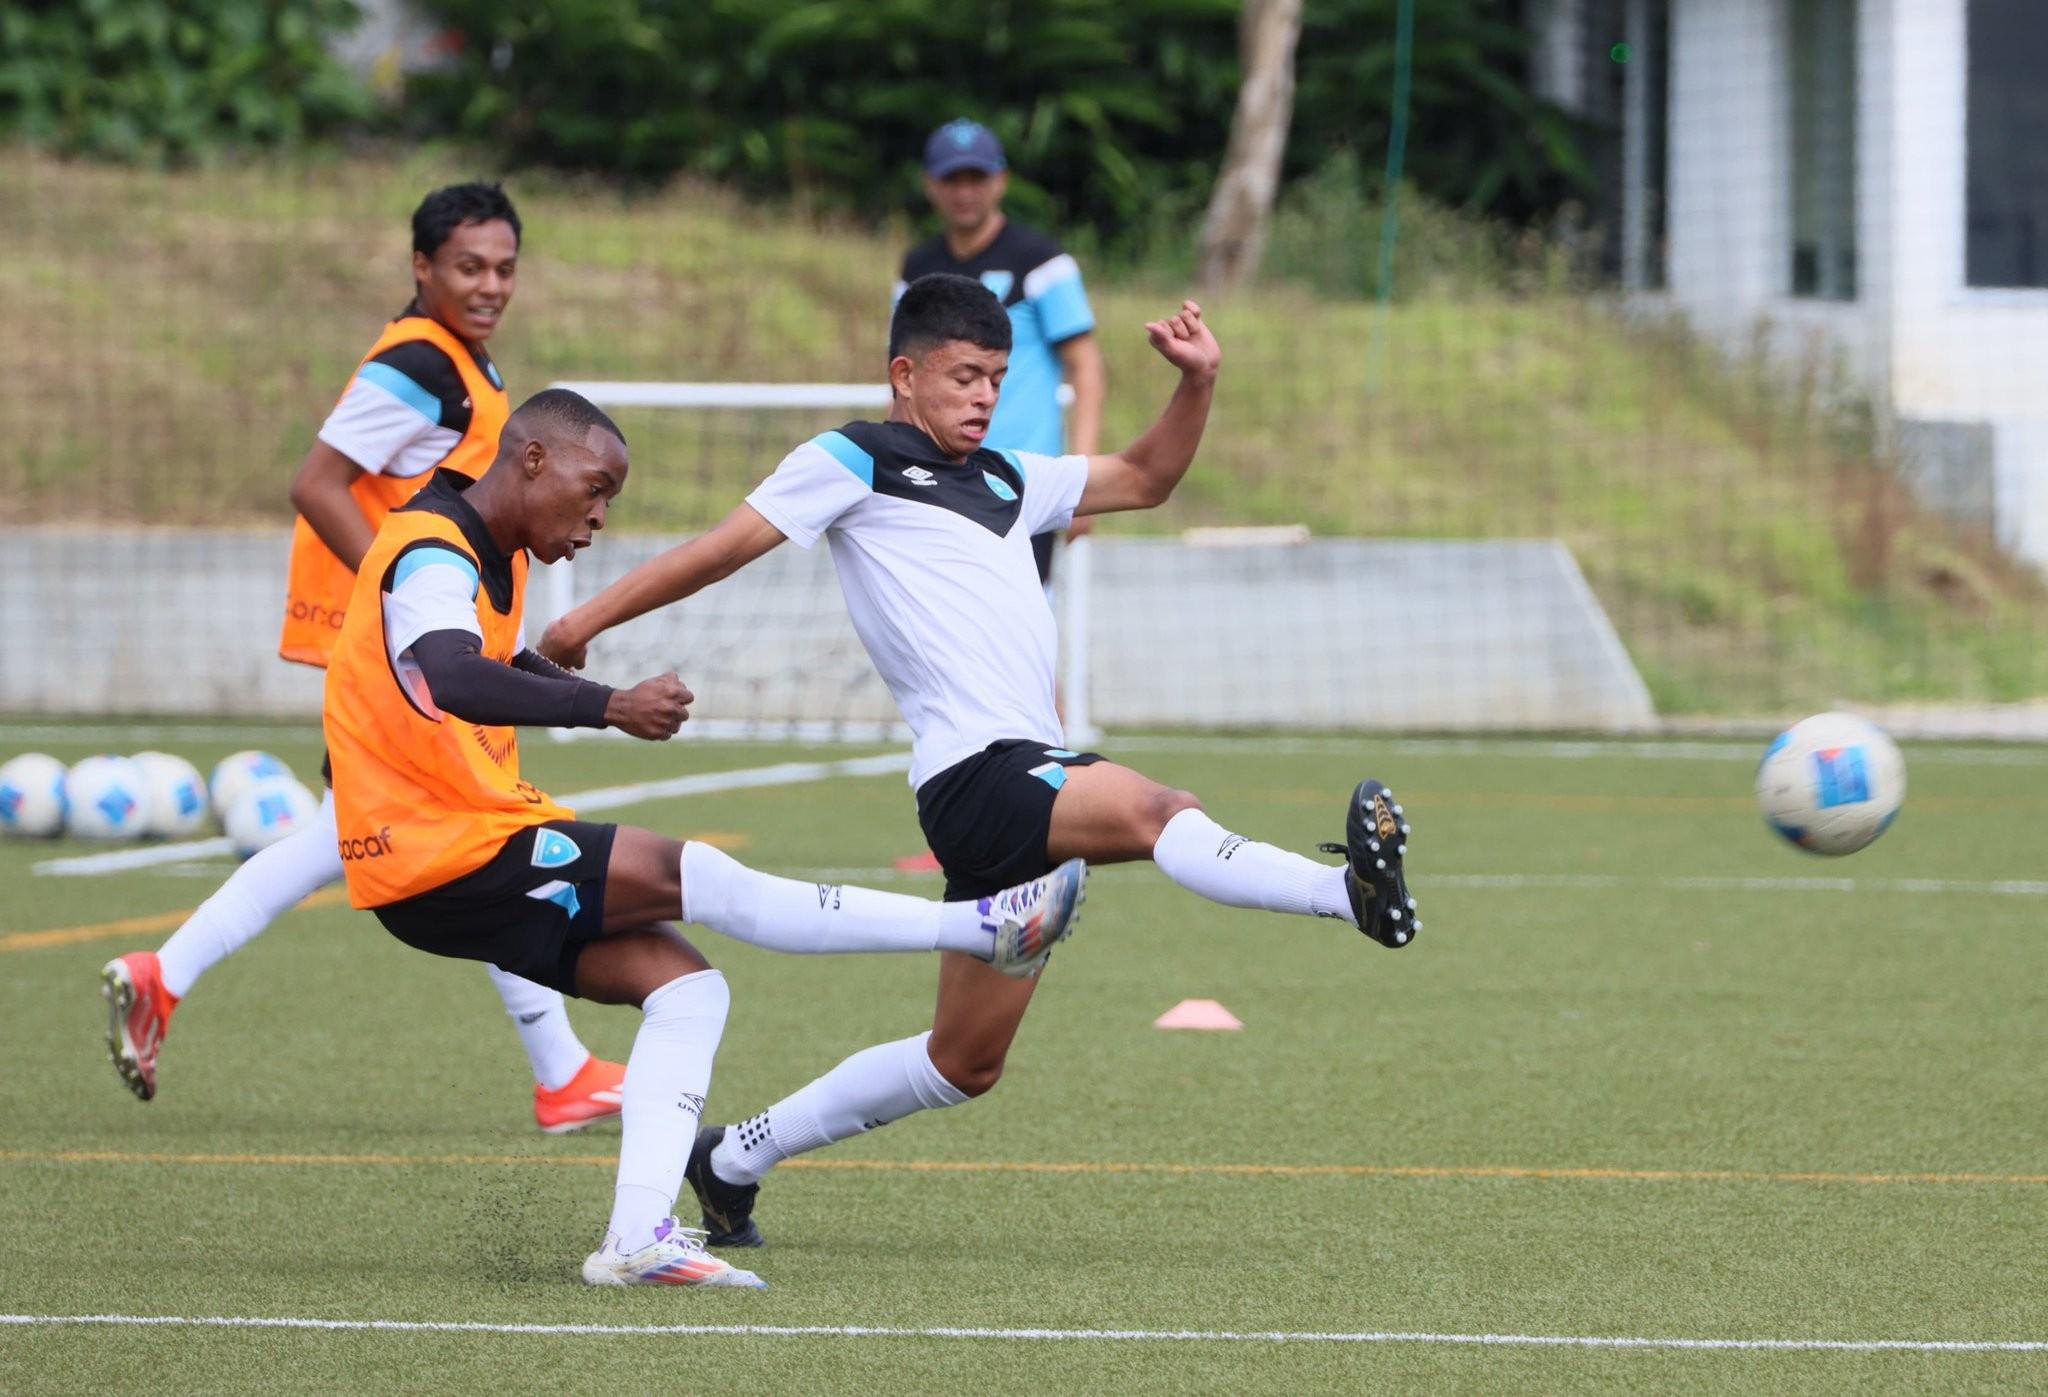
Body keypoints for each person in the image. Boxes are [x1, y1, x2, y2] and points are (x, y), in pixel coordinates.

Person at [537, 275, 1420, 1251]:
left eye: (995, 377)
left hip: (1020, 777)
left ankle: (733, 1157)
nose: (983, 396)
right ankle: (1348, 892)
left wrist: (1196, 384)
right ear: (903, 374)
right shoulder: (852, 458)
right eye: (963, 376)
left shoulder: (1007, 477)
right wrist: (580, 618)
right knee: (1157, 806)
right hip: (977, 774)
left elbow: (1143, 477)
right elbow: (719, 549)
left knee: (963, 1061)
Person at [323, 387, 1083, 1285]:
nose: (600, 516)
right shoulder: (431, 548)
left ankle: (637, 1235)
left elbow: (479, 659)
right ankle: (980, 926)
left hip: (466, 841)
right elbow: (449, 673)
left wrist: (554, 672)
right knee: (699, 876)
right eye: (594, 488)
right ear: (531, 458)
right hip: (438, 846)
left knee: (688, 990)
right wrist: (608, 704)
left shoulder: (491, 552)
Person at [100, 183, 624, 1133]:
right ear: (421, 267)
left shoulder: (461, 360)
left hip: (414, 646)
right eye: (469, 266)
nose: (490, 284)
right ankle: (561, 1069)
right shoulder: (425, 359)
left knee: (410, 829)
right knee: (474, 825)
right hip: (411, 655)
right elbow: (319, 481)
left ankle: (162, 976)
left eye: (505, 267)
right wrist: (406, 605)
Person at [899, 118, 1104, 608]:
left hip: (1022, 483)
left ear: (1001, 180)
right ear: (930, 184)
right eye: (952, 179)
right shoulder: (918, 267)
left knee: (1022, 640)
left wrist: (1084, 476)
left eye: (976, 177)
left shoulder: (1039, 261)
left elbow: (1087, 367)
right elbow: (903, 375)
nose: (964, 192)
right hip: (938, 483)